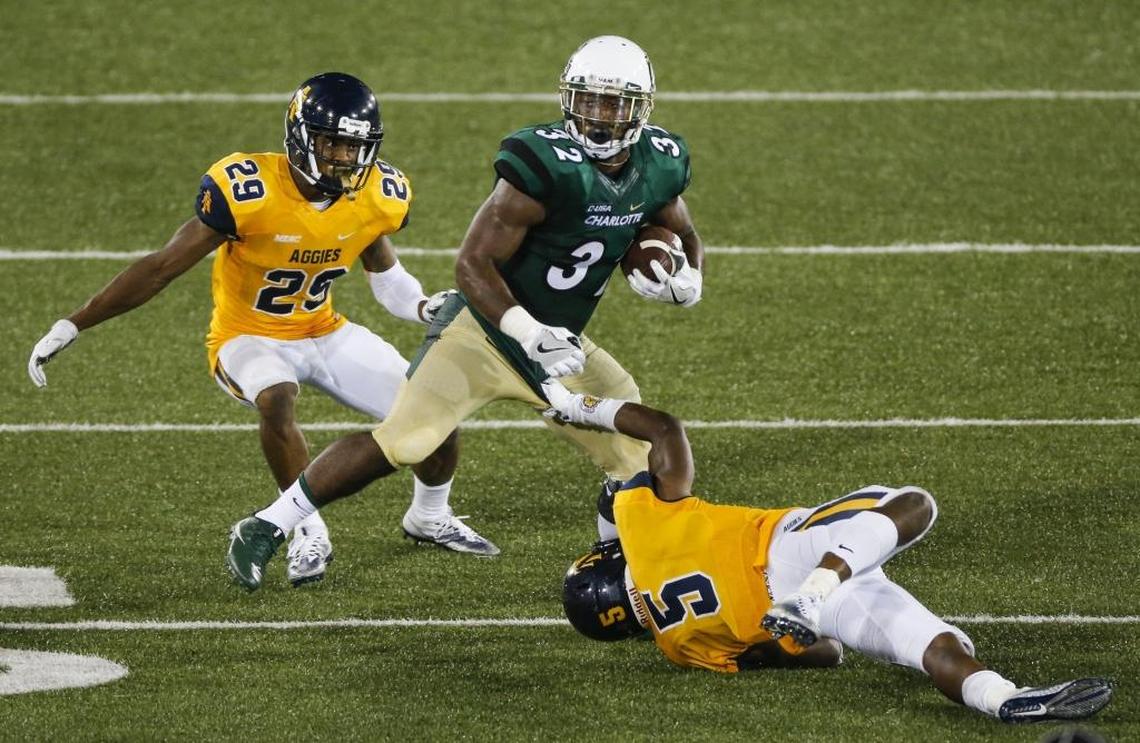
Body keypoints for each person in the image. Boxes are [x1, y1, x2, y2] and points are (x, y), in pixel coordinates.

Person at [224, 36, 706, 591]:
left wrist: (689, 276)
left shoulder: (660, 162)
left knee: (637, 454)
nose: (599, 117)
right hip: (481, 332)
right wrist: (527, 330)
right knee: (406, 442)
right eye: (588, 100)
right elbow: (472, 265)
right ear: (568, 99)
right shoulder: (542, 164)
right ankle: (265, 525)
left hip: (563, 343)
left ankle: (620, 570)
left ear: (640, 109)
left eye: (613, 104)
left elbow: (680, 229)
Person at [26, 72, 498, 589]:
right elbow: (162, 267)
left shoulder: (377, 195)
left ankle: (429, 516)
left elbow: (385, 276)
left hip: (324, 330)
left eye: (355, 146)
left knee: (434, 405)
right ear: (300, 136)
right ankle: (305, 528)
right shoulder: (247, 190)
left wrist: (424, 305)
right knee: (277, 398)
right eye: (333, 143)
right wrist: (74, 322)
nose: (345, 157)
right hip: (246, 335)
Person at [546, 380, 1114, 725]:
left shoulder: (680, 648)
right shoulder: (641, 528)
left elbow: (823, 656)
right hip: (795, 550)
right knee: (911, 504)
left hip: (803, 613)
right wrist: (580, 405)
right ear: (607, 562)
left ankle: (1000, 697)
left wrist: (802, 631)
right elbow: (663, 432)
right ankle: (821, 584)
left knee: (931, 648)